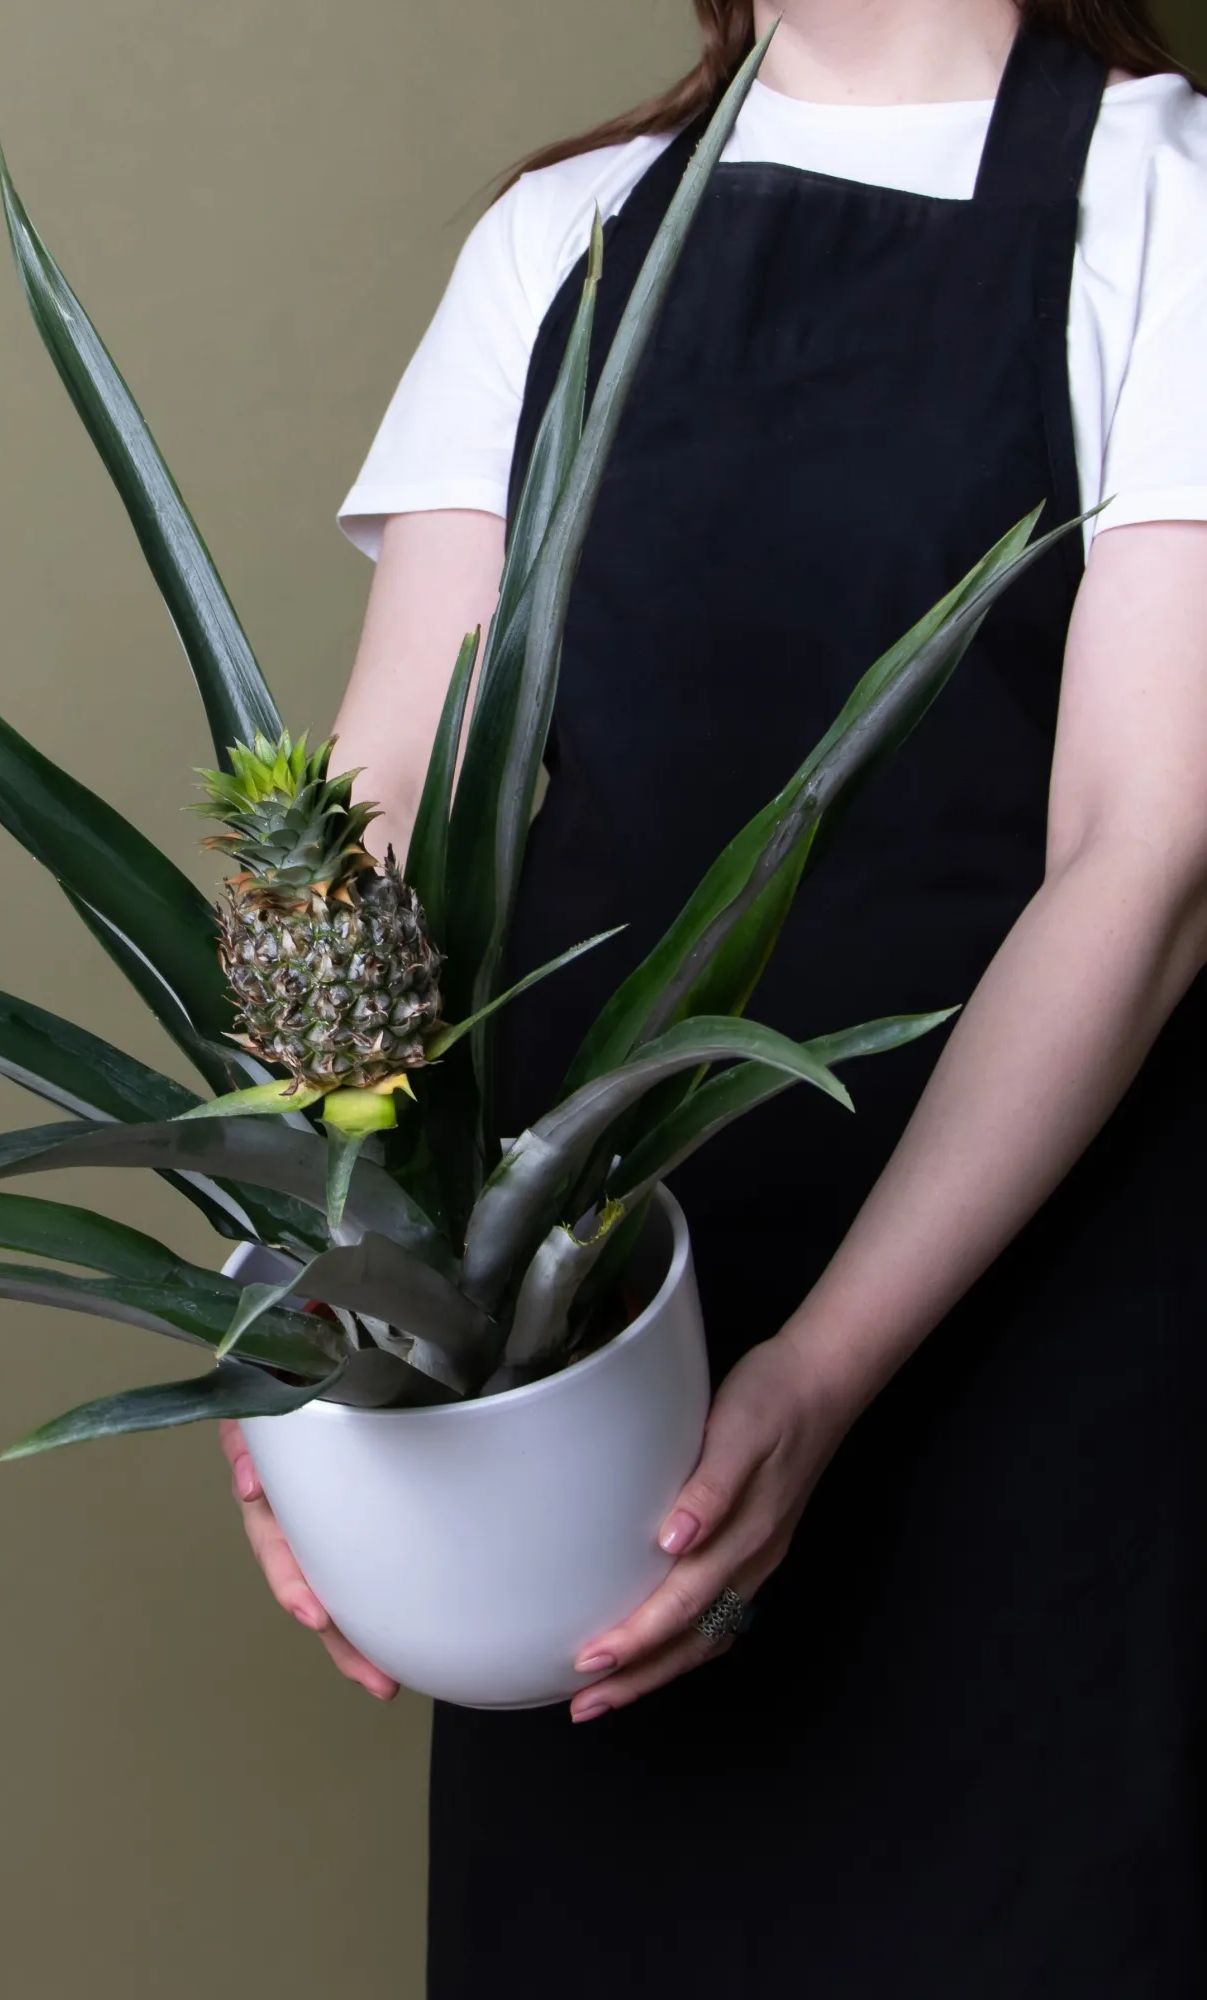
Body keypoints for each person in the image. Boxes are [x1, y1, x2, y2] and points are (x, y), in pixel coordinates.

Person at [217, 1, 1207, 1990]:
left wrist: (823, 1370)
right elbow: (367, 828)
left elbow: (1147, 857)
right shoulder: (556, 233)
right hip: (585, 1369)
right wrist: (306, 1347)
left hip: (1043, 1344)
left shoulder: (1165, 195)